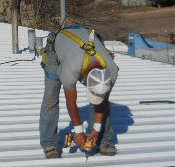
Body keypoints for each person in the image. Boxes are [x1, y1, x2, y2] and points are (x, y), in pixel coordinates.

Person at [40, 25, 119, 158]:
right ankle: (49, 143)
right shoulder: (71, 71)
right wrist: (78, 131)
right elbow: (71, 103)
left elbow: (103, 101)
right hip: (56, 52)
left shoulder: (111, 72)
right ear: (84, 80)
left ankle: (105, 140)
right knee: (51, 98)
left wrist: (95, 130)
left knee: (103, 101)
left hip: (82, 49)